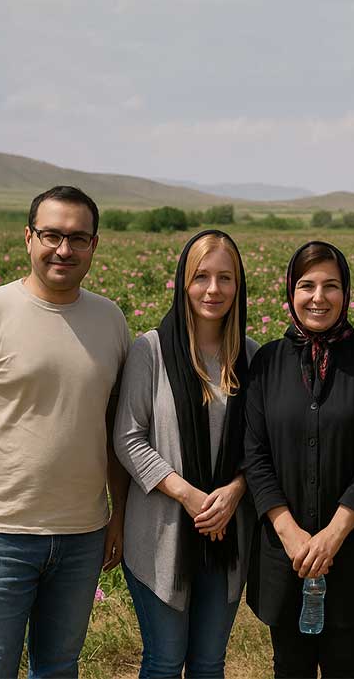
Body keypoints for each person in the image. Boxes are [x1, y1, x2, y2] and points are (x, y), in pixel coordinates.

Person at [0, 185, 130, 677]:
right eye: (52, 235)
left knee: (59, 667)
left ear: (94, 245)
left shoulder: (111, 319)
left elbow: (115, 429)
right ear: (28, 237)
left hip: (83, 533)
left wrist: (117, 517)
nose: (64, 249)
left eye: (78, 238)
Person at [243, 241, 354, 679]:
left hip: (352, 555)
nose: (319, 297)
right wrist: (288, 531)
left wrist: (333, 534)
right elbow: (255, 455)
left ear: (346, 293)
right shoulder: (268, 363)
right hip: (284, 556)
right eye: (307, 285)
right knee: (288, 667)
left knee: (347, 666)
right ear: (291, 291)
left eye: (331, 285)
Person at [114, 230, 259, 677]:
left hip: (228, 535)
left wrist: (234, 491)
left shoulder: (251, 356)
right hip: (161, 534)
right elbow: (128, 437)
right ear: (183, 282)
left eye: (225, 278)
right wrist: (189, 495)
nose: (213, 289)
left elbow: (262, 446)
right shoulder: (151, 350)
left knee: (209, 663)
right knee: (163, 661)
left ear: (239, 286)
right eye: (201, 277)